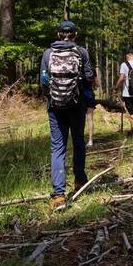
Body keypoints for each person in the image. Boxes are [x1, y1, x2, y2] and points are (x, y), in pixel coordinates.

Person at [40, 21, 93, 210]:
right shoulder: (82, 52)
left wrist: (53, 96)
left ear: (59, 34)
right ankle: (80, 181)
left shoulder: (48, 53)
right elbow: (88, 77)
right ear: (75, 35)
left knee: (57, 147)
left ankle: (59, 195)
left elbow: (43, 81)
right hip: (77, 105)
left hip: (55, 107)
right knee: (78, 141)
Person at [114, 48, 133, 136]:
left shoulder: (124, 65)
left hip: (128, 93)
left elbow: (122, 78)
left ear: (128, 55)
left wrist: (116, 87)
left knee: (131, 113)